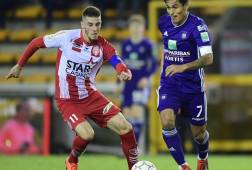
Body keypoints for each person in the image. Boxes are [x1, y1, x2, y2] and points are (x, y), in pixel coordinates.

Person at [6, 6, 139, 170]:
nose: (95, 28)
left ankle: (134, 168)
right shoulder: (66, 37)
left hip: (90, 96)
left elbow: (116, 61)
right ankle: (72, 160)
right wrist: (20, 65)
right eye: (90, 24)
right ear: (82, 24)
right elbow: (36, 43)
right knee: (88, 134)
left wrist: (122, 71)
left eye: (98, 24)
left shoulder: (103, 45)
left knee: (126, 127)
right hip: (67, 99)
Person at [157, 0, 214, 170]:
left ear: (186, 6)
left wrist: (183, 67)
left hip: (193, 87)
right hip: (170, 85)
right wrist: (164, 70)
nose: (171, 12)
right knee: (167, 121)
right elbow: (166, 47)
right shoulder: (163, 22)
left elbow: (208, 58)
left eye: (175, 7)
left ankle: (202, 157)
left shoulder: (198, 26)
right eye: (168, 7)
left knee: (199, 133)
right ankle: (183, 166)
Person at [120, 14, 157, 143]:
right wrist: (118, 79)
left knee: (137, 111)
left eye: (138, 26)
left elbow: (153, 64)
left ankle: (135, 145)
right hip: (128, 83)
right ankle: (128, 145)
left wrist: (146, 78)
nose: (135, 28)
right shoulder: (125, 44)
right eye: (133, 26)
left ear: (143, 28)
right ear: (129, 28)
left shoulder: (148, 44)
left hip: (140, 82)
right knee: (126, 114)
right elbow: (121, 63)